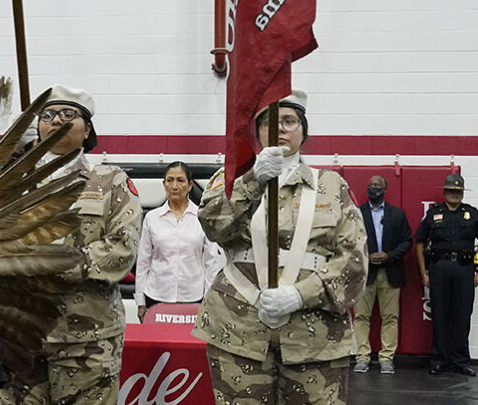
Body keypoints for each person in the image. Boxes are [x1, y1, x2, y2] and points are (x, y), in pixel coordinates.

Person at [193, 90, 368, 404]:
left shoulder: (331, 185)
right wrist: (252, 180)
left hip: (314, 336)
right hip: (239, 328)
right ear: (258, 132)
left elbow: (354, 261)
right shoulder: (232, 177)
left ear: (303, 129)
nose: (281, 129)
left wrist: (301, 294)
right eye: (270, 123)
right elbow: (212, 226)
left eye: (290, 121)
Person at [0, 84, 141, 405]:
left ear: (87, 128)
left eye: (68, 114)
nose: (57, 120)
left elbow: (122, 250)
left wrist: (55, 263)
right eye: (47, 115)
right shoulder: (13, 181)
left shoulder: (109, 181)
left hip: (86, 341)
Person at [135, 161, 220, 322]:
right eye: (170, 180)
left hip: (193, 297)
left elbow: (211, 263)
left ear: (190, 186)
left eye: (180, 181)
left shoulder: (202, 218)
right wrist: (140, 301)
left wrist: (209, 301)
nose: (174, 186)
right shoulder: (152, 219)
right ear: (164, 184)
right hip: (156, 296)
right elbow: (143, 262)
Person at [414, 174, 478, 376]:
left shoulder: (472, 214)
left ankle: (460, 361)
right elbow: (419, 242)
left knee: (462, 316)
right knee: (440, 315)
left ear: (462, 193)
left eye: (458, 191)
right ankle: (438, 360)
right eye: (451, 190)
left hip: (464, 269)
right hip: (439, 268)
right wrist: (424, 272)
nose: (455, 194)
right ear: (444, 192)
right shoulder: (434, 214)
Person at [352, 175, 412, 375]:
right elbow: (348, 242)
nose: (373, 188)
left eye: (377, 185)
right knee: (360, 316)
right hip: (364, 274)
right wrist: (366, 256)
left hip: (390, 272)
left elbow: (407, 242)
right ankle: (362, 357)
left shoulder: (397, 214)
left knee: (390, 317)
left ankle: (387, 358)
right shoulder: (356, 213)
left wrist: (389, 255)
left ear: (385, 189)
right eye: (370, 185)